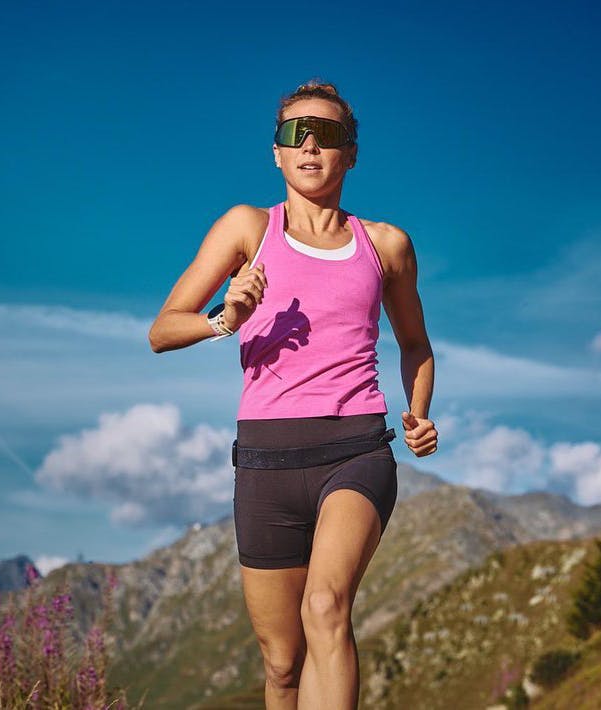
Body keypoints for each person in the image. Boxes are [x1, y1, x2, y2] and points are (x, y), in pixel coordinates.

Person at [148, 79, 437, 709]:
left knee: (327, 607)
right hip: (264, 463)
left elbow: (415, 344)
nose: (309, 145)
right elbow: (162, 330)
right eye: (293, 133)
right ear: (275, 153)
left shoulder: (385, 245)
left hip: (355, 448)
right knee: (281, 665)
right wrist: (226, 318)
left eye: (328, 134)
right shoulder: (247, 229)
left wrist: (418, 414)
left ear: (351, 154)